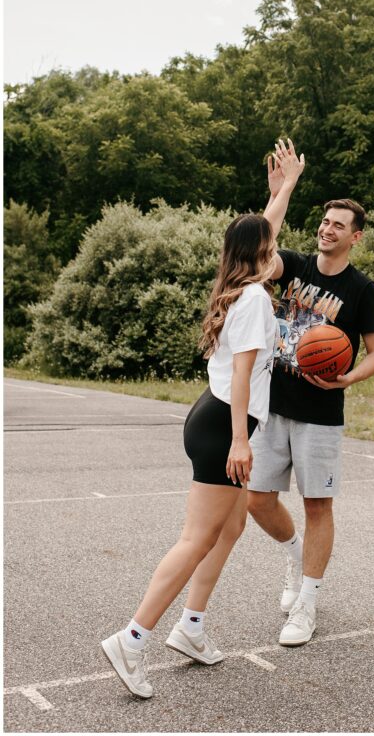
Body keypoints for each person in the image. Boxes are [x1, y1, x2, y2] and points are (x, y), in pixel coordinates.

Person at [100, 148, 305, 699]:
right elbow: (243, 377)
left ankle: (191, 627)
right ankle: (132, 638)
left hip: (210, 415)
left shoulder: (235, 285)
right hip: (224, 425)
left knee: (231, 527)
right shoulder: (258, 299)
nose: (276, 246)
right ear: (263, 255)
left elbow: (266, 229)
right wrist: (242, 441)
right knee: (196, 537)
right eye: (272, 243)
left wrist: (284, 189)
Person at [247, 141, 374, 648]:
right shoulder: (295, 266)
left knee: (317, 506)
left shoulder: (362, 290)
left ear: (356, 236)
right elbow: (257, 250)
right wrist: (284, 189)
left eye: (338, 225)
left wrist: (348, 379)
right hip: (272, 405)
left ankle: (306, 602)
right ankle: (294, 555)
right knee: (257, 501)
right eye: (325, 221)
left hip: (320, 414)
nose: (327, 229)